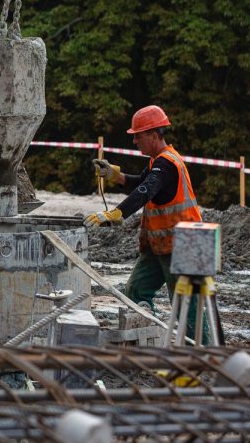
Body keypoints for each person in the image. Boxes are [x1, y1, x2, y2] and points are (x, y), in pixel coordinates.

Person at [83, 105, 209, 343]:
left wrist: (117, 213)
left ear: (154, 134)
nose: (135, 142)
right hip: (164, 244)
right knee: (137, 291)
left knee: (187, 306)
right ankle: (146, 338)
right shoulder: (156, 163)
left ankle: (204, 356)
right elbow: (142, 182)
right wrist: (115, 176)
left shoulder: (167, 164)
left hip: (187, 243)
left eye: (138, 136)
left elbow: (145, 191)